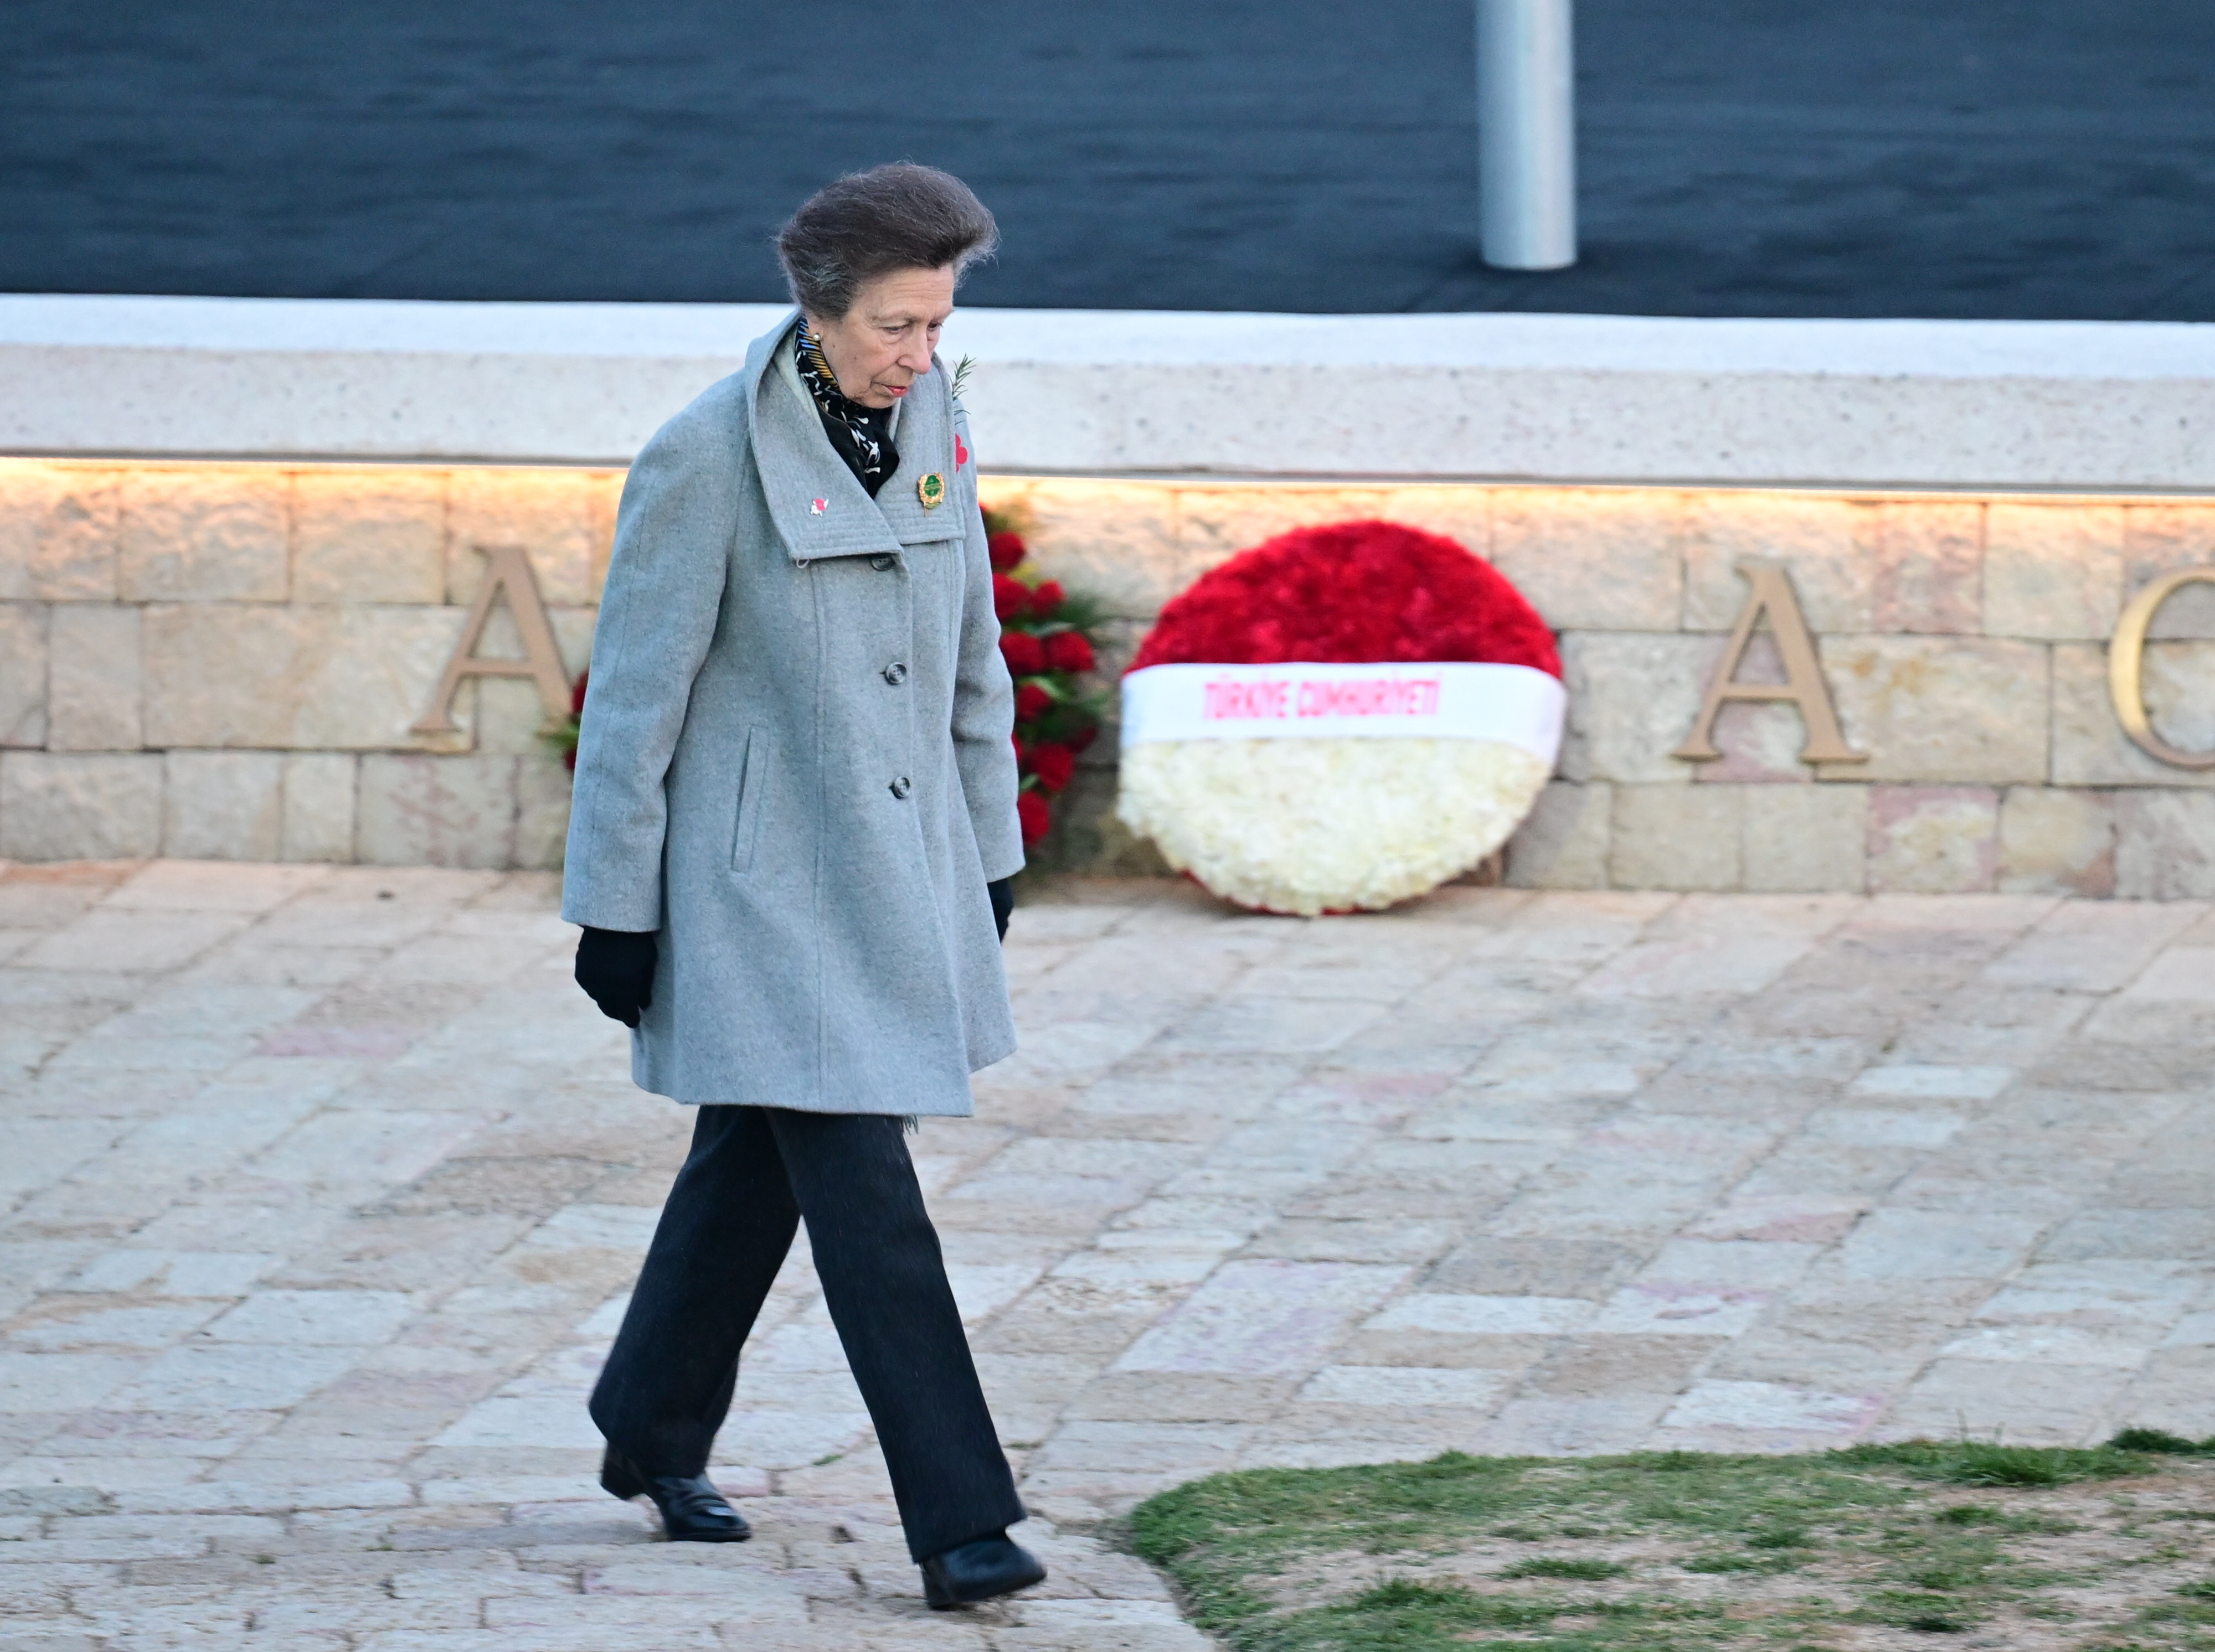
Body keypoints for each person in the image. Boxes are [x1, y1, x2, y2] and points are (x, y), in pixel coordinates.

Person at [559, 163, 1042, 1610]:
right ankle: (962, 1521)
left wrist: (993, 849)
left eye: (938, 324)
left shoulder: (936, 418)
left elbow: (973, 654)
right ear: (820, 314)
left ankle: (646, 1428)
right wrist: (617, 907)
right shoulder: (707, 454)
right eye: (898, 325)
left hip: (900, 874)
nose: (920, 353)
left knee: (753, 1162)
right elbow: (633, 702)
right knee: (864, 1188)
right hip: (761, 894)